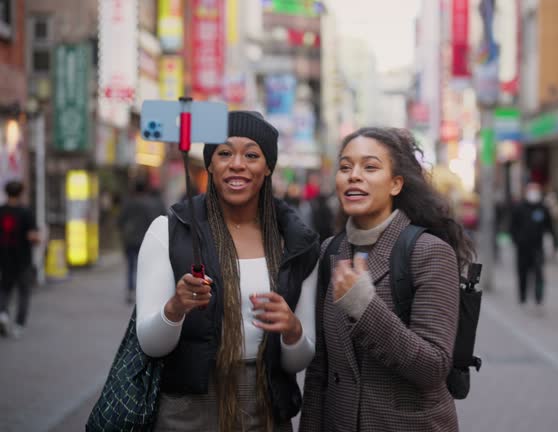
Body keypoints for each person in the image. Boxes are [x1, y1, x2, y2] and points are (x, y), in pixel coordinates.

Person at [135, 111, 320, 431]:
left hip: (266, 405)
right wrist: (175, 308)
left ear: (268, 167)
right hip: (188, 405)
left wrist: (292, 329)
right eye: (224, 153)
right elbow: (151, 344)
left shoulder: (296, 243)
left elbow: (298, 360)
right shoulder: (169, 232)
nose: (237, 164)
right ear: (209, 164)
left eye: (251, 154)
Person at [299, 127, 474, 432]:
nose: (354, 175)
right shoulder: (331, 250)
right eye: (345, 167)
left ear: (396, 184)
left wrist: (365, 308)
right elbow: (320, 371)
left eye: (370, 167)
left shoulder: (430, 253)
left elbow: (433, 367)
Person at [0, 181, 40, 339]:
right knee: (24, 293)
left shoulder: (1, 211)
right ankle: (18, 325)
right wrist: (38, 239)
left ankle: (3, 313)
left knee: (4, 289)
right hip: (23, 258)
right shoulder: (26, 212)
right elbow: (32, 236)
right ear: (21, 192)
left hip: (4, 257)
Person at [118, 181, 164, 304]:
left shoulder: (128, 204)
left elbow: (120, 221)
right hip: (144, 240)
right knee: (145, 267)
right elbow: (153, 221)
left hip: (130, 239)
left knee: (131, 266)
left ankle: (130, 291)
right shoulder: (148, 204)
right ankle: (144, 292)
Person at [510, 182, 555, 307]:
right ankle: (522, 297)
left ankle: (538, 298)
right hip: (523, 248)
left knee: (539, 273)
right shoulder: (519, 207)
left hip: (538, 247)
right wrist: (517, 240)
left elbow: (549, 227)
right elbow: (513, 227)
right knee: (522, 273)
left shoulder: (543, 208)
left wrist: (552, 244)